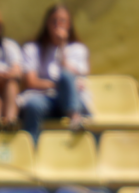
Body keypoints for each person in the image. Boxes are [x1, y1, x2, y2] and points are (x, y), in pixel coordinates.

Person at [19, 4, 90, 141]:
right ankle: (29, 146)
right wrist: (58, 85)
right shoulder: (33, 48)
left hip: (71, 99)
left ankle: (75, 117)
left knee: (65, 75)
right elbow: (31, 82)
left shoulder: (78, 49)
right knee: (33, 104)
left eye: (62, 21)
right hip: (46, 98)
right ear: (47, 24)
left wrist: (62, 47)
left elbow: (71, 75)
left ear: (69, 25)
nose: (58, 25)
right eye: (54, 21)